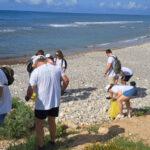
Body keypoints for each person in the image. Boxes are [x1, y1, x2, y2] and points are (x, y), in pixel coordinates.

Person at [25, 55, 68, 150]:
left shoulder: (36, 71)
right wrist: (61, 91)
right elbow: (66, 80)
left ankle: (41, 146)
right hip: (55, 102)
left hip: (41, 105)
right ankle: (53, 141)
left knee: (39, 125)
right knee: (52, 121)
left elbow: (30, 89)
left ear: (36, 63)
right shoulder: (57, 68)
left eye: (34, 65)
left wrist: (27, 97)